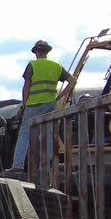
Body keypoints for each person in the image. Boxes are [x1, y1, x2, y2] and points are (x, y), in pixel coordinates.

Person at [11, 39, 76, 172]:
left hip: (33, 104)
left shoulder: (32, 65)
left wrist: (24, 104)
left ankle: (18, 165)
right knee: (48, 134)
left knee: (24, 134)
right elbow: (72, 81)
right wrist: (60, 96)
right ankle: (45, 166)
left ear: (36, 52)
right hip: (50, 104)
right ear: (47, 52)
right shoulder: (56, 66)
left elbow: (26, 86)